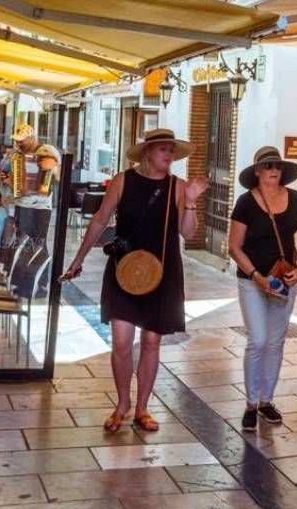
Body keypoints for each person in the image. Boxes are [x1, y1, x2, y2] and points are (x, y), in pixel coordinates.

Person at [65, 129, 208, 433]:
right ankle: (122, 404)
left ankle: (142, 408)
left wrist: (192, 202)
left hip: (163, 272)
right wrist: (78, 259)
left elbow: (188, 233)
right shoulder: (123, 181)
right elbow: (101, 219)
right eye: (162, 150)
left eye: (171, 151)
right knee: (120, 342)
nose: (168, 156)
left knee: (152, 341)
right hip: (125, 270)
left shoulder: (178, 187)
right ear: (147, 153)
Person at [228, 146, 297, 432]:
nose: (273, 170)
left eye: (276, 165)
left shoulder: (295, 198)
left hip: (283, 281)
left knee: (276, 342)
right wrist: (256, 276)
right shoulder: (245, 202)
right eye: (266, 166)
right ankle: (250, 404)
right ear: (257, 172)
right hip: (252, 280)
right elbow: (234, 246)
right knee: (259, 340)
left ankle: (266, 401)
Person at [3, 124, 60, 293]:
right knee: (23, 243)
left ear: (32, 137)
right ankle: (24, 282)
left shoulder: (48, 150)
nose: (18, 144)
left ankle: (41, 283)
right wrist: (8, 180)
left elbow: (61, 175)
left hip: (41, 206)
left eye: (21, 141)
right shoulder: (17, 156)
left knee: (39, 243)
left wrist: (54, 167)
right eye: (16, 141)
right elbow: (15, 183)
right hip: (22, 204)